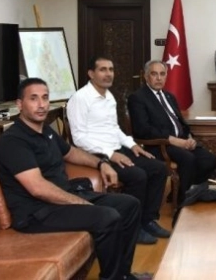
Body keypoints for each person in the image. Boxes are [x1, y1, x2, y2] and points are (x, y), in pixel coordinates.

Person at [0, 78, 143, 280]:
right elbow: (38, 188)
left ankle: (123, 275)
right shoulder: (13, 141)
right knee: (107, 217)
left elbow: (70, 152)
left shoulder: (45, 131)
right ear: (20, 104)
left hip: (61, 198)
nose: (41, 104)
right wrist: (80, 203)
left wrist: (101, 163)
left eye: (45, 98)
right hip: (36, 213)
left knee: (130, 205)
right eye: (34, 99)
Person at [67, 55, 170, 244]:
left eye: (111, 69)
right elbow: (79, 138)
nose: (108, 74)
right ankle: (132, 227)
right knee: (138, 176)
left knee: (158, 168)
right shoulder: (80, 98)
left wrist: (133, 145)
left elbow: (114, 129)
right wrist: (110, 154)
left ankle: (147, 220)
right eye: (103, 70)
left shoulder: (109, 96)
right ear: (91, 74)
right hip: (96, 155)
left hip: (117, 149)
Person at [127, 60, 216, 207]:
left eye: (162, 74)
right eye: (154, 74)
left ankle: (187, 192)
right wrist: (172, 140)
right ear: (146, 76)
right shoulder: (137, 98)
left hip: (181, 142)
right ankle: (182, 201)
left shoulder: (169, 96)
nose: (159, 78)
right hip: (160, 146)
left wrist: (189, 138)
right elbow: (143, 129)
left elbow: (179, 122)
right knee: (188, 159)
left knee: (209, 160)